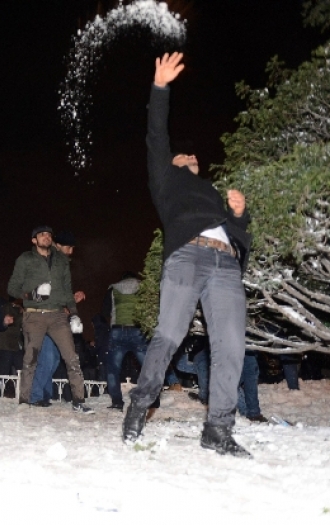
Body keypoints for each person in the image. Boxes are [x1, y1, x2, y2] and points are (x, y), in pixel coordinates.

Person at [122, 53, 253, 458]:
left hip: (224, 263)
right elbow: (156, 136)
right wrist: (159, 88)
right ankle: (139, 407)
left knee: (232, 343)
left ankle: (218, 429)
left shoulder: (211, 192)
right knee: (169, 335)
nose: (193, 158)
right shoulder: (164, 178)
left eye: (196, 158)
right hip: (186, 256)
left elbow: (239, 237)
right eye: (186, 156)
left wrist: (238, 215)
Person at [7, 225, 92, 413]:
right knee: (30, 359)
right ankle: (24, 401)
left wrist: (75, 313)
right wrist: (32, 295)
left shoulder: (61, 260)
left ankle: (79, 401)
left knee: (71, 358)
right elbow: (12, 289)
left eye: (48, 234)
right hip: (34, 315)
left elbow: (67, 289)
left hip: (58, 316)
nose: (46, 236)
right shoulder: (25, 259)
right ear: (34, 240)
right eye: (41, 234)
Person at [102, 272, 147, 411]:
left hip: (118, 331)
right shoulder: (143, 287)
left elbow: (105, 310)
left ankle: (117, 402)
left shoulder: (113, 289)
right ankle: (151, 401)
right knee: (148, 367)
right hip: (138, 331)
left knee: (113, 369)